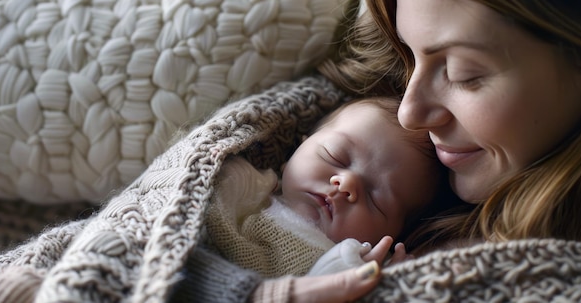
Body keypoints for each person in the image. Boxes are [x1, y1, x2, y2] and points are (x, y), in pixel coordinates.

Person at [183, 0, 581, 301]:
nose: (410, 113)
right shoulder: (306, 127)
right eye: (408, 55)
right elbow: (140, 250)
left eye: (464, 73)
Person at [171, 96, 448, 299]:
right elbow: (183, 204)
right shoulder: (249, 185)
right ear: (301, 143)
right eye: (335, 155)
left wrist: (388, 282)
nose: (347, 184)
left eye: (376, 199)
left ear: (394, 234)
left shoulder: (359, 260)